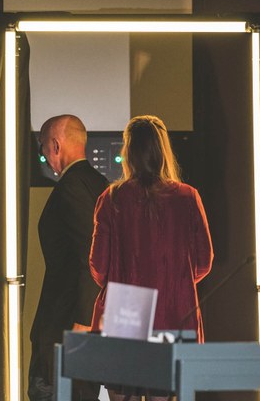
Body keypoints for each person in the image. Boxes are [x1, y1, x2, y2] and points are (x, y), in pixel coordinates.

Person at [89, 115, 214, 401]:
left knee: (122, 393)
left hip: (124, 314)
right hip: (174, 315)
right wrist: (175, 282)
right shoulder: (188, 197)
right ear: (163, 150)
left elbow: (98, 267)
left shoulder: (111, 198)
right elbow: (204, 261)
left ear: (128, 151)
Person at [29, 114, 109, 401]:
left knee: (52, 391)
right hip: (86, 322)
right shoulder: (101, 183)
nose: (43, 155)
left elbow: (91, 257)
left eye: (42, 147)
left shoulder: (71, 187)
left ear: (55, 145)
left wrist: (82, 321)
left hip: (66, 324)